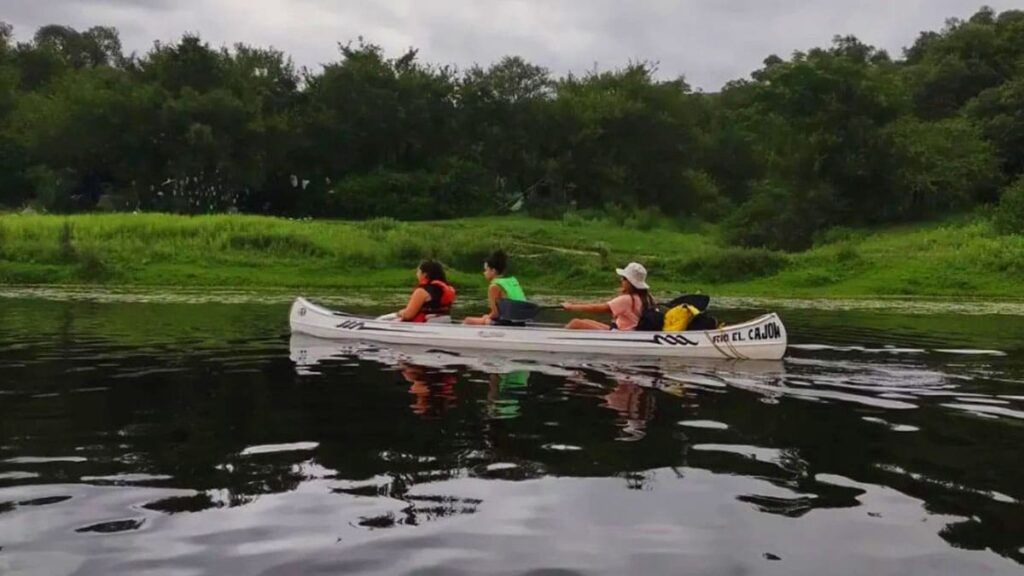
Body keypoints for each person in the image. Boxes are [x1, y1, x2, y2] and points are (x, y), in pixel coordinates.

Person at [562, 262, 654, 331]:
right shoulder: (648, 297)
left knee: (576, 323)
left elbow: (596, 308)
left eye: (624, 278)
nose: (621, 280)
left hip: (621, 334)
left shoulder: (627, 299)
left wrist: (571, 307)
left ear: (630, 283)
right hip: (624, 331)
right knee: (583, 320)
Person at [463, 249, 527, 325]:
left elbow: (495, 314)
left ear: (493, 271)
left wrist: (486, 317)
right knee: (486, 318)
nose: (484, 273)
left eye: (486, 270)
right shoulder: (512, 281)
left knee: (468, 320)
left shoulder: (494, 286)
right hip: (521, 321)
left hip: (507, 322)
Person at [389, 260, 457, 322]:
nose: (416, 274)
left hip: (424, 325)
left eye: (418, 271)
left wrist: (400, 312)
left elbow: (408, 315)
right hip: (444, 322)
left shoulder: (421, 291)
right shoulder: (447, 289)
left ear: (424, 274)